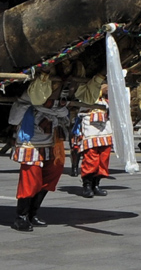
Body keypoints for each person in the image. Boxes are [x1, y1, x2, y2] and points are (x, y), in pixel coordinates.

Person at [8, 76, 69, 231]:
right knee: (30, 180)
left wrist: (57, 109)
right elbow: (13, 120)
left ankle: (32, 213)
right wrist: (26, 102)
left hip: (51, 142)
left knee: (53, 174)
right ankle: (20, 216)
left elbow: (65, 115)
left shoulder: (60, 101)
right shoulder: (26, 100)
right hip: (30, 142)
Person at [76, 82, 113, 198]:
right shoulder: (87, 95)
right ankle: (87, 185)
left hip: (105, 130)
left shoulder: (106, 100)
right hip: (91, 129)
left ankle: (96, 184)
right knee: (91, 158)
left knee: (103, 158)